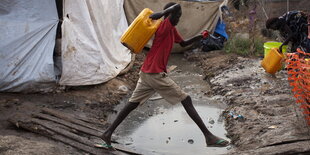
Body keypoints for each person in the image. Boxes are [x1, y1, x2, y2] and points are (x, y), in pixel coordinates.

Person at [100, 2, 229, 150]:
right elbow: (177, 7)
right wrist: (162, 14)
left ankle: (107, 133)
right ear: (170, 16)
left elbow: (183, 43)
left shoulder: (171, 29)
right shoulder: (163, 26)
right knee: (186, 99)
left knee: (132, 104)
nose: (179, 18)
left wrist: (199, 36)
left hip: (146, 72)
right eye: (177, 16)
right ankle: (209, 136)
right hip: (155, 74)